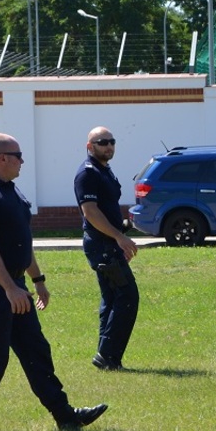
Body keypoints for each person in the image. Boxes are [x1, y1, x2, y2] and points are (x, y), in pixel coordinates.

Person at [0, 133, 108, 431]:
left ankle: (66, 416)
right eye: (18, 154)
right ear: (2, 158)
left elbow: (21, 244)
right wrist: (9, 288)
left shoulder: (11, 192)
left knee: (36, 351)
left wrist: (37, 279)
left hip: (16, 287)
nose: (23, 160)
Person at [75, 127, 140, 372]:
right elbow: (90, 212)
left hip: (108, 242)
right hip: (101, 244)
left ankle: (107, 357)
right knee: (127, 296)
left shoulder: (104, 170)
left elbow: (108, 207)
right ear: (89, 146)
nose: (109, 146)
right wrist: (118, 238)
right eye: (102, 142)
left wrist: (122, 228)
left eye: (112, 142)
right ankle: (107, 356)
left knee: (112, 297)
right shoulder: (87, 173)